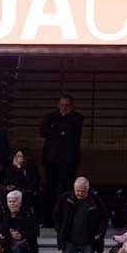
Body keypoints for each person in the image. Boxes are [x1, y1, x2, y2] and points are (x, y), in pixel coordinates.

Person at [41, 94, 84, 223]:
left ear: (72, 106)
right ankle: (49, 219)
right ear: (58, 105)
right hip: (51, 160)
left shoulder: (78, 118)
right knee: (51, 190)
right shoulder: (50, 117)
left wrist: (55, 130)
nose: (64, 108)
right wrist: (61, 132)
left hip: (69, 160)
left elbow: (72, 132)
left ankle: (67, 218)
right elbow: (43, 132)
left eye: (67, 105)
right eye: (62, 105)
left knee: (68, 190)